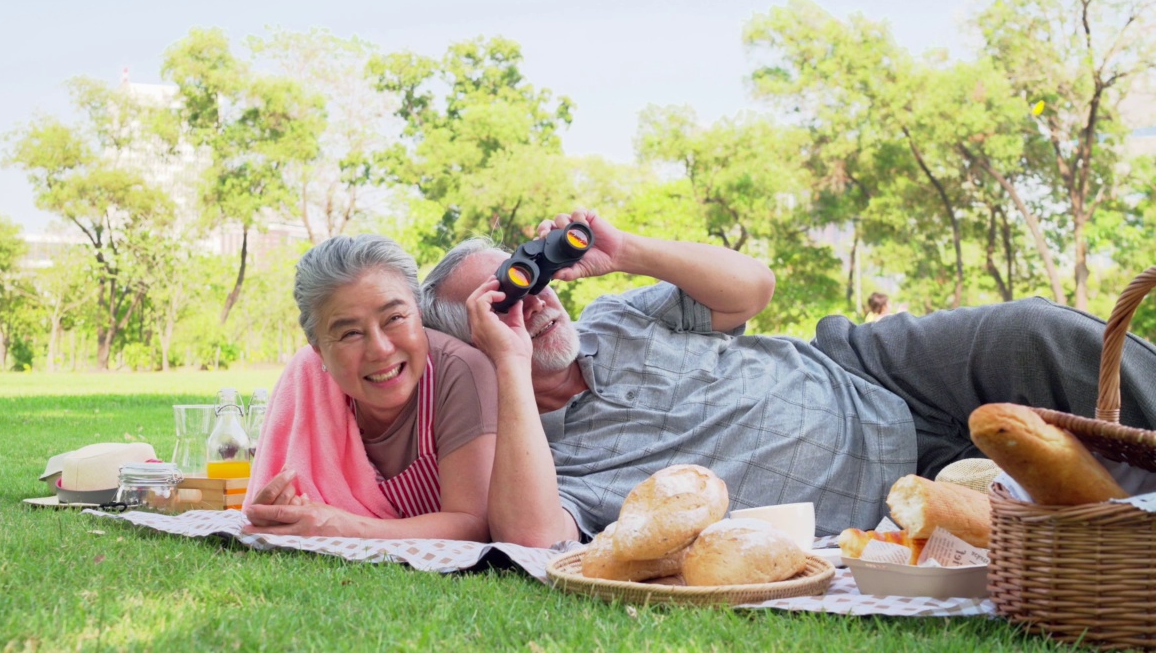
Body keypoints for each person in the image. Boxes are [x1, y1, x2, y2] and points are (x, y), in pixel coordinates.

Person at [419, 208, 1156, 546]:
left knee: (1035, 331)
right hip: (890, 502)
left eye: (531, 280)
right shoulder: (539, 454)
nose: (536, 300)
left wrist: (630, 249)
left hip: (870, 372)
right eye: (503, 304)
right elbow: (530, 537)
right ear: (473, 343)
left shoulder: (616, 318)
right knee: (1056, 510)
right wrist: (509, 365)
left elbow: (751, 288)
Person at [242, 234, 498, 541]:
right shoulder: (306, 381)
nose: (380, 349)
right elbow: (283, 508)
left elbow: (473, 524)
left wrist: (346, 528)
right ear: (319, 349)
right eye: (350, 333)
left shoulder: (461, 372)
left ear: (419, 313)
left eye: (395, 318)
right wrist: (279, 511)